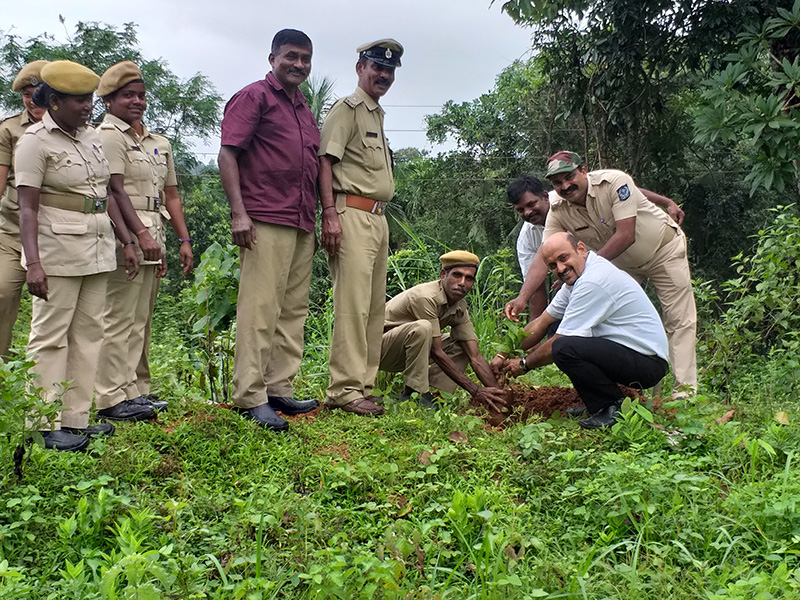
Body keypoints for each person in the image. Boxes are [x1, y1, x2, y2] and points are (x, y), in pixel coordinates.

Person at [15, 60, 140, 451]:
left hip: (98, 246)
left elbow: (106, 196)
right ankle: (41, 422)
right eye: (78, 101)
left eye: (89, 99)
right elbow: (27, 208)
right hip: (57, 251)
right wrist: (33, 262)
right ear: (54, 101)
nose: (87, 107)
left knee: (89, 334)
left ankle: (75, 418)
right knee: (50, 336)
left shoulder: (90, 139)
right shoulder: (35, 141)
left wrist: (127, 240)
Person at [505, 154, 696, 396]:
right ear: (551, 187)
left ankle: (684, 395)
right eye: (557, 183)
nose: (565, 186)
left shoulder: (613, 181)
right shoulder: (558, 210)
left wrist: (586, 273)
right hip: (619, 263)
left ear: (583, 170)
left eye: (570, 177)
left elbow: (626, 234)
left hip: (662, 250)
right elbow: (546, 255)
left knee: (679, 321)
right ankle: (629, 393)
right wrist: (522, 298)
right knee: (605, 323)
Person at [219, 29, 320, 431]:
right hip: (263, 217)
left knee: (292, 310)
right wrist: (238, 214)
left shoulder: (303, 108)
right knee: (260, 309)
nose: (299, 64)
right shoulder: (254, 97)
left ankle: (278, 388)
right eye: (291, 56)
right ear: (272, 58)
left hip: (300, 221)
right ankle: (250, 396)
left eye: (305, 59)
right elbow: (228, 154)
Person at [93, 61, 195, 421]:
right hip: (126, 234)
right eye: (127, 96)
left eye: (140, 95)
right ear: (107, 100)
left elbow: (171, 195)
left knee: (141, 319)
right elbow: (112, 192)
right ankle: (110, 396)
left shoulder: (157, 142)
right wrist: (134, 238)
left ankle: (134, 390)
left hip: (154, 233)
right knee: (118, 318)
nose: (136, 101)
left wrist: (182, 239)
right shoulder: (108, 136)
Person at [502, 232, 669, 429]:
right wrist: (504, 353)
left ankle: (612, 408)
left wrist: (523, 364)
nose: (561, 268)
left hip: (647, 362)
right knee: (562, 337)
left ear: (581, 249)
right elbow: (541, 322)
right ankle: (596, 405)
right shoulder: (576, 279)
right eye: (553, 265)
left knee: (564, 347)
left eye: (563, 258)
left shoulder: (593, 281)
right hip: (630, 353)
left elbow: (558, 343)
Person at [318, 38, 403, 416]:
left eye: (389, 70)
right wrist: (329, 215)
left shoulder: (376, 114)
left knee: (372, 308)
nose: (383, 75)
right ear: (360, 69)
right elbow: (325, 162)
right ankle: (343, 389)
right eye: (377, 68)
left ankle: (362, 385)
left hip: (377, 219)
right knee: (352, 306)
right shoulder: (347, 109)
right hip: (349, 214)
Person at [506, 173, 685, 319]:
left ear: (545, 197)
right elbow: (537, 281)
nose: (528, 212)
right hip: (599, 272)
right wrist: (523, 302)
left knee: (676, 315)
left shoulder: (564, 197)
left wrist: (666, 202)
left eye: (531, 204)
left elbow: (625, 191)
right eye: (520, 210)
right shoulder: (526, 239)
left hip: (620, 254)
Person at [380, 251, 509, 412]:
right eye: (457, 275)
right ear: (443, 275)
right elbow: (436, 351)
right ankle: (414, 392)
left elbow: (474, 356)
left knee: (462, 343)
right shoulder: (425, 297)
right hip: (378, 351)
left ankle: (432, 393)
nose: (462, 282)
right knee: (423, 328)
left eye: (469, 278)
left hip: (407, 353)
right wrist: (475, 390)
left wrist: (499, 394)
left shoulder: (459, 306)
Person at [0, 61, 48, 359]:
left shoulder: (75, 130)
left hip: (56, 232)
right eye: (27, 94)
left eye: (38, 93)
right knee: (3, 293)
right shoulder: (9, 130)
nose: (32, 101)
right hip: (13, 231)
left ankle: (46, 382)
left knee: (52, 307)